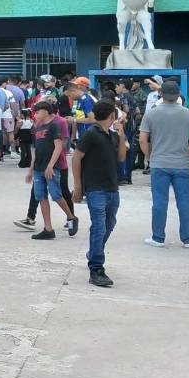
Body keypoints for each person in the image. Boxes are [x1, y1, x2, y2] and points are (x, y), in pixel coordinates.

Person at [139, 81, 189, 248]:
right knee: (184, 202)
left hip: (159, 163)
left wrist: (150, 157)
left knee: (159, 202)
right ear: (179, 94)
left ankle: (158, 237)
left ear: (160, 94)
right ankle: (187, 239)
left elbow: (143, 140)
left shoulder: (151, 114)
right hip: (182, 164)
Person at [72, 100, 128, 288]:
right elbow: (76, 158)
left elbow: (121, 158)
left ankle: (94, 252)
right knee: (99, 226)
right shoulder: (91, 134)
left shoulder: (111, 135)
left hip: (112, 188)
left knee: (109, 223)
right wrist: (78, 186)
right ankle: (96, 268)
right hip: (95, 188)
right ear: (112, 116)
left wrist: (121, 136)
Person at [25, 102, 79, 240]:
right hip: (38, 168)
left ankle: (71, 217)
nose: (35, 115)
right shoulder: (37, 128)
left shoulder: (54, 126)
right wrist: (31, 170)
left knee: (56, 195)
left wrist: (50, 165)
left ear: (47, 112)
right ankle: (48, 228)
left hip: (51, 168)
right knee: (41, 196)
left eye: (38, 112)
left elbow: (58, 146)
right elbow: (36, 151)